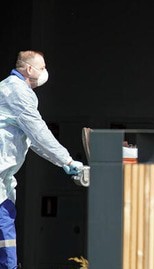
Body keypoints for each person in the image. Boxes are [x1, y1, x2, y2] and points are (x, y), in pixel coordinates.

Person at [0, 50, 83, 268]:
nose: (45, 72)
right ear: (29, 69)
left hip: (4, 180)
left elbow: (33, 140)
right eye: (43, 67)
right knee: (4, 235)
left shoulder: (9, 89)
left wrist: (62, 161)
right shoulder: (17, 92)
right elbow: (38, 132)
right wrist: (67, 161)